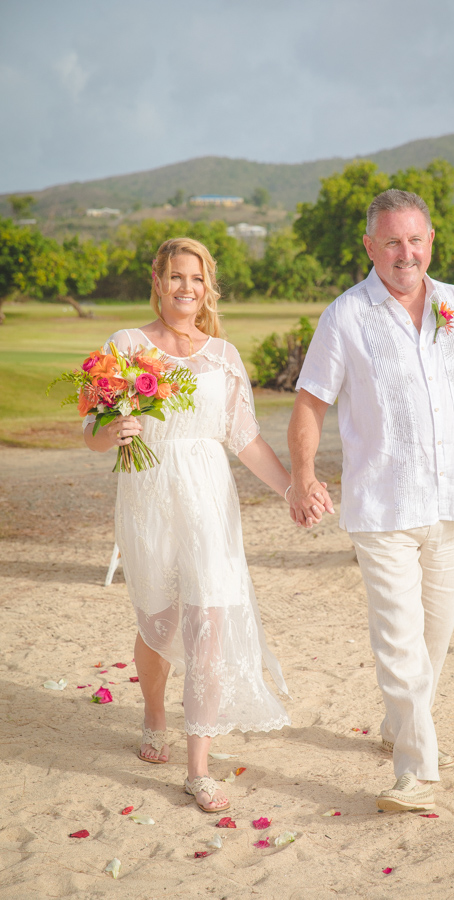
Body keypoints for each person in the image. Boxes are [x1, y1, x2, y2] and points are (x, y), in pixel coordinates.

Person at [287, 189, 454, 813]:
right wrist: (302, 475)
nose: (407, 253)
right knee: (399, 637)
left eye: (416, 240)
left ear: (431, 242)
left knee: (435, 635)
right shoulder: (344, 317)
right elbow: (309, 403)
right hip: (383, 507)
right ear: (370, 246)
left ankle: (402, 724)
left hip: (453, 500)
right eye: (393, 241)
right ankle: (415, 771)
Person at [84, 237, 292, 814]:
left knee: (209, 626)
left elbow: (245, 440)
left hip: (208, 501)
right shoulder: (126, 346)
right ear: (158, 281)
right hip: (148, 498)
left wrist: (293, 488)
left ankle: (198, 770)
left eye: (196, 279)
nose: (186, 288)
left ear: (208, 287)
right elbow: (92, 432)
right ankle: (155, 712)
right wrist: (112, 432)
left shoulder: (224, 356)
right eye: (176, 277)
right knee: (158, 622)